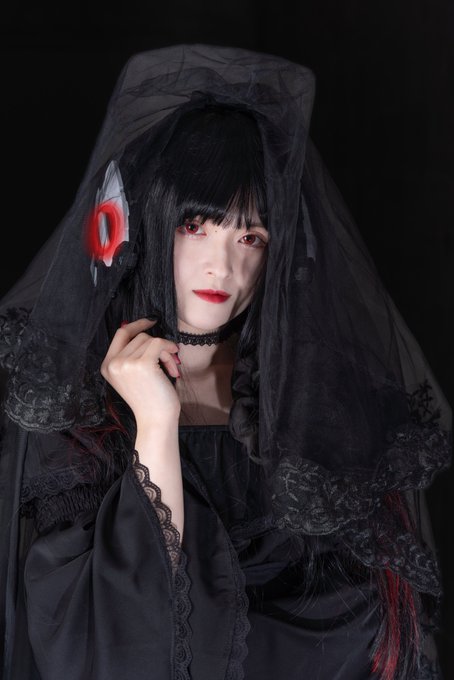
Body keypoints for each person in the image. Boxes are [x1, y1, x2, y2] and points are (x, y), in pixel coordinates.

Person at [0, 44, 451, 680]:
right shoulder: (74, 417)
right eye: (197, 226)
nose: (224, 265)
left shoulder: (321, 412)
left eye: (250, 236)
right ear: (150, 224)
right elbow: (114, 647)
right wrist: (155, 428)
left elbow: (373, 634)